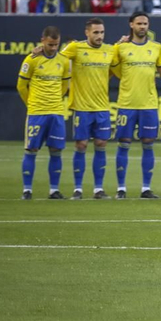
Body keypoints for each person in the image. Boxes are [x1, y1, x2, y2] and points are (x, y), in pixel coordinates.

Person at [111, 10, 161, 199]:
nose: (142, 27)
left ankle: (146, 188)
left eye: (145, 24)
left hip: (149, 105)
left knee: (148, 144)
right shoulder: (120, 48)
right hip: (127, 104)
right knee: (124, 144)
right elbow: (109, 70)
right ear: (131, 25)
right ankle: (121, 188)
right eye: (139, 23)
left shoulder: (156, 48)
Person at [56, 19, 116, 200]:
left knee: (101, 144)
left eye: (102, 32)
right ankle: (78, 189)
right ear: (87, 33)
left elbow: (115, 69)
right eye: (96, 32)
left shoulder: (110, 50)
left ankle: (98, 189)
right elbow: (56, 59)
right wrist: (39, 52)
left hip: (102, 107)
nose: (99, 36)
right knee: (81, 145)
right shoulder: (75, 48)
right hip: (81, 107)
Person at [18, 26, 72, 200]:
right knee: (31, 149)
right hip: (36, 112)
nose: (53, 48)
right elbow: (21, 86)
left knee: (56, 150)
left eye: (56, 44)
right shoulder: (31, 60)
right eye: (50, 44)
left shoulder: (63, 61)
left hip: (56, 112)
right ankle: (27, 190)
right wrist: (31, 103)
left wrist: (55, 100)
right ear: (42, 40)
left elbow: (65, 85)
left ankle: (53, 190)